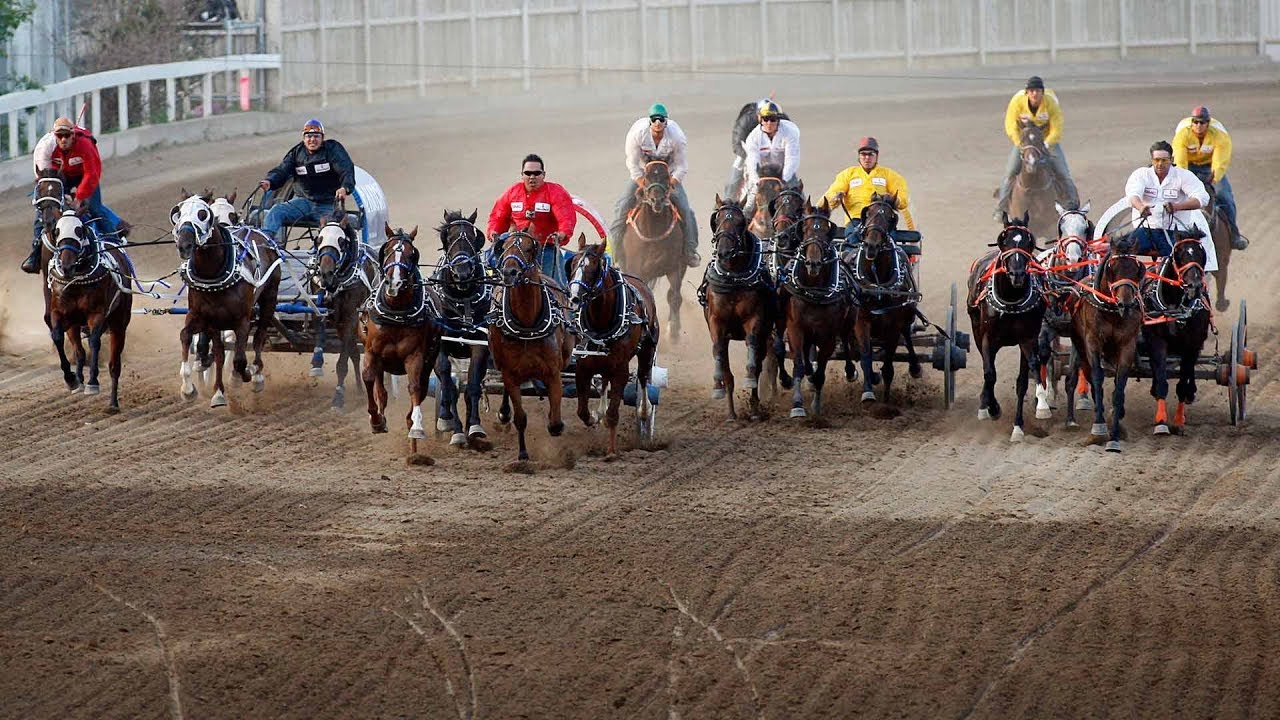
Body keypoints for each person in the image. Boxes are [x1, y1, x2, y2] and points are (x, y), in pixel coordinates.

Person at [22, 117, 127, 274]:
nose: (63, 139)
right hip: (57, 178)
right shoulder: (45, 148)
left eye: (66, 135)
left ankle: (115, 245)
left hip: (84, 176)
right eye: (59, 136)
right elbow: (44, 178)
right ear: (54, 136)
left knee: (93, 207)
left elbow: (92, 173)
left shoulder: (85, 145)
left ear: (73, 135)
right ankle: (36, 253)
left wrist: (79, 197)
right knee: (45, 211)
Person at [608, 103, 699, 269]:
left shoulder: (677, 137)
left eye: (661, 119)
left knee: (685, 209)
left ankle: (689, 251)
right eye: (654, 119)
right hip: (645, 174)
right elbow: (632, 162)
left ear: (666, 122)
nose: (657, 122)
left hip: (668, 174)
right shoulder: (637, 134)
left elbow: (682, 166)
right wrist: (641, 182)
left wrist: (672, 183)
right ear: (649, 121)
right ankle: (614, 253)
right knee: (621, 206)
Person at [258, 119, 356, 248]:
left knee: (330, 231)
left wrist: (345, 187)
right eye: (309, 136)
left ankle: (322, 257)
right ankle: (265, 245)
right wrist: (270, 181)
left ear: (322, 138)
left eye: (316, 136)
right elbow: (282, 170)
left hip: (327, 204)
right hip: (303, 202)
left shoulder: (333, 150)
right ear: (303, 138)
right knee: (276, 211)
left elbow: (346, 170)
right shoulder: (296, 153)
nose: (312, 140)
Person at [1122, 140, 1217, 272]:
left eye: (1164, 160)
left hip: (1175, 232)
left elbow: (1202, 198)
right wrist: (1141, 207)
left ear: (1171, 160)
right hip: (1146, 230)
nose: (1160, 164)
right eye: (1156, 160)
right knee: (1119, 251)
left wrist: (1177, 207)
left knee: (1185, 260)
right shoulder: (1141, 175)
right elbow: (1133, 194)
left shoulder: (1183, 176)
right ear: (1152, 160)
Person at [994, 75, 1080, 221]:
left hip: (1047, 141)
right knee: (1010, 172)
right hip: (1025, 142)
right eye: (1032, 91)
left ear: (1042, 92)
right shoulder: (1017, 102)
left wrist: (1047, 142)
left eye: (1038, 91)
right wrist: (1019, 143)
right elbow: (1010, 125)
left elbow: (1057, 127)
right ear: (1027, 93)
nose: (1035, 94)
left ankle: (1073, 206)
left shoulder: (1050, 103)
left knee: (1063, 172)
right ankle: (1001, 209)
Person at [487, 153, 578, 286]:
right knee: (498, 276)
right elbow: (497, 216)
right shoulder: (512, 193)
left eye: (536, 173)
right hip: (517, 247)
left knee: (556, 285)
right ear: (522, 175)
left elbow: (566, 217)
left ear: (543, 175)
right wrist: (493, 232)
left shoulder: (555, 192)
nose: (532, 177)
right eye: (528, 173)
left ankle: (561, 304)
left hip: (545, 247)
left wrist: (563, 233)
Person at [1173, 105, 1247, 250]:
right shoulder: (1183, 134)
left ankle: (1234, 235)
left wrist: (1214, 178)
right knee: (1175, 195)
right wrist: (1184, 180)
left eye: (1202, 122)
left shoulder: (1219, 135)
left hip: (1209, 168)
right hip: (1189, 166)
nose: (1198, 125)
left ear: (1208, 123)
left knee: (1224, 195)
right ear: (1191, 122)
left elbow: (1220, 160)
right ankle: (1170, 232)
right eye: (1195, 122)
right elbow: (1180, 160)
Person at [822, 136, 916, 241]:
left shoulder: (889, 175)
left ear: (877, 156)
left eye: (871, 154)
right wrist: (835, 198)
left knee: (888, 243)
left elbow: (903, 198)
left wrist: (896, 201)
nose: (867, 158)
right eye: (863, 154)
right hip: (856, 221)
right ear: (859, 156)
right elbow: (830, 195)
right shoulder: (847, 174)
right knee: (852, 244)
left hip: (882, 220)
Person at [741, 101, 801, 214]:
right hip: (762, 173)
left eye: (773, 119)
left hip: (783, 172)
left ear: (778, 120)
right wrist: (756, 181)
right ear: (760, 120)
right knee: (749, 205)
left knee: (798, 198)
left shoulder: (790, 132)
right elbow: (752, 162)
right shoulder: (753, 138)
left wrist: (784, 179)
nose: (769, 123)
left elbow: (792, 158)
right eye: (766, 119)